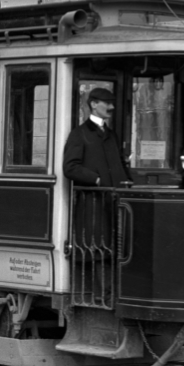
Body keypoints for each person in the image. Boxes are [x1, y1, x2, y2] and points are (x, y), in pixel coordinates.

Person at [62, 88, 132, 299]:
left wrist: (127, 182)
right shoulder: (80, 134)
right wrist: (96, 179)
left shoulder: (111, 135)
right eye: (106, 103)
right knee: (98, 249)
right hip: (93, 205)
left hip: (114, 202)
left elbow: (119, 163)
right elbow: (70, 167)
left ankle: (113, 294)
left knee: (115, 248)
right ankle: (102, 295)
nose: (111, 107)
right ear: (93, 104)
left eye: (111, 103)